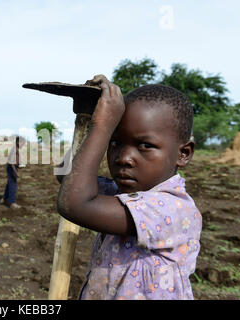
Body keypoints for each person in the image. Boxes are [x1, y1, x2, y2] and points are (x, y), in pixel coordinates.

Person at [57, 75, 201, 300]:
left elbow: (74, 203)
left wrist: (103, 127)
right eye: (115, 142)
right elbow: (65, 175)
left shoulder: (170, 208)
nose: (124, 158)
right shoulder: (122, 193)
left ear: (183, 154)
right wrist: (88, 119)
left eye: (145, 145)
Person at [0, 136, 26, 209]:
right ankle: (12, 203)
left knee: (9, 184)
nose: (23, 145)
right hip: (12, 168)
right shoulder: (14, 150)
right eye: (22, 143)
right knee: (13, 185)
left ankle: (4, 199)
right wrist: (16, 172)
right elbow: (11, 162)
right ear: (18, 142)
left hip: (13, 167)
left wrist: (19, 164)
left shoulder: (16, 149)